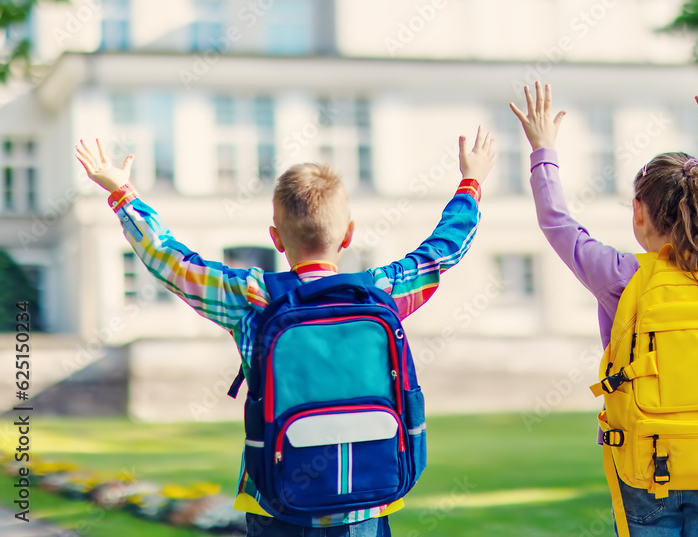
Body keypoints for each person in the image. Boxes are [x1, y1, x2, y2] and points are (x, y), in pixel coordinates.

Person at [75, 127, 496, 537]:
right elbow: (440, 253)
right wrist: (470, 183)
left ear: (276, 238)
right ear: (348, 235)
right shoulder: (381, 293)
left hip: (275, 502)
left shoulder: (253, 296)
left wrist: (122, 194)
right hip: (366, 501)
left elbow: (171, 261)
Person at [510, 79, 698, 536]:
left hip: (648, 462)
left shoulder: (622, 276)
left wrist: (543, 149)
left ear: (639, 212)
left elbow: (558, 224)